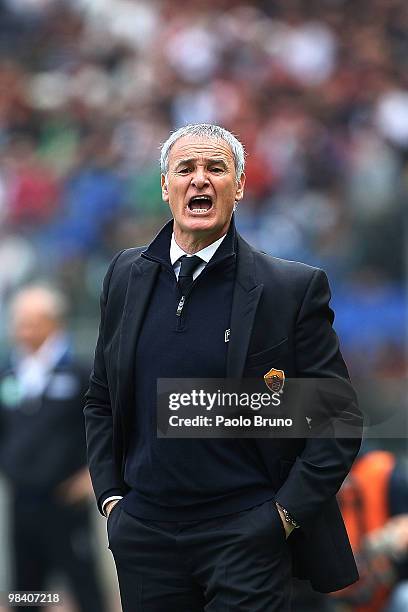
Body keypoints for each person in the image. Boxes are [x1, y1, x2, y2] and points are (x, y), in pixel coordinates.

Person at [84, 123, 363, 611]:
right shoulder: (125, 275)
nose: (200, 180)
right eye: (186, 169)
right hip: (144, 535)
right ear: (165, 187)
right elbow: (101, 398)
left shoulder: (290, 288)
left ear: (239, 186)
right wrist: (111, 499)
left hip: (245, 534)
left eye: (216, 168)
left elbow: (335, 420)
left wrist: (281, 516)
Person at [0, 285, 106, 612]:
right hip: (23, 501)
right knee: (26, 592)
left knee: (83, 586)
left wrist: (92, 476)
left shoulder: (80, 372)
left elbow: (106, 426)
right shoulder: (10, 373)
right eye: (18, 322)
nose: (21, 330)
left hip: (65, 503)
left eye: (30, 322)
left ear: (52, 323)